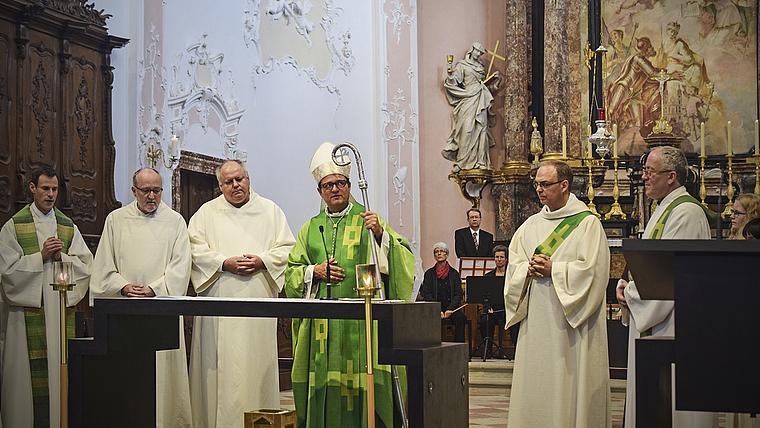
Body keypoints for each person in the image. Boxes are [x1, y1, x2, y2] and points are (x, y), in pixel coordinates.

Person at [285, 141, 415, 427]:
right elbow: (291, 273)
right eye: (328, 185)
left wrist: (381, 236)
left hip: (364, 325)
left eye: (340, 183)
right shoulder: (310, 227)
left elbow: (404, 260)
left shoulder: (368, 219)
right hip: (324, 329)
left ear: (349, 185)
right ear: (320, 191)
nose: (335, 189)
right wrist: (313, 272)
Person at [188, 159, 295, 428]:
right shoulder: (205, 214)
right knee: (218, 374)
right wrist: (224, 263)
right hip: (218, 307)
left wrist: (261, 261)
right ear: (220, 186)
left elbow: (286, 250)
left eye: (240, 179)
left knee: (254, 369)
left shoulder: (270, 211)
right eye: (228, 181)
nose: (236, 185)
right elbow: (193, 250)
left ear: (248, 179)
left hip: (257, 310)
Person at [504, 160, 611, 427]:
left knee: (568, 382)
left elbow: (594, 271)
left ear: (564, 185)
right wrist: (525, 271)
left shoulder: (588, 224)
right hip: (536, 322)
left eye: (545, 184)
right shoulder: (530, 225)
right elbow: (514, 264)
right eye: (536, 184)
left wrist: (556, 269)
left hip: (569, 325)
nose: (539, 190)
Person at [616, 146, 716, 427]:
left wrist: (629, 292)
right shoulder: (665, 209)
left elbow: (669, 273)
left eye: (650, 172)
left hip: (675, 323)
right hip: (661, 319)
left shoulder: (686, 213)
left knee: (672, 404)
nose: (644, 178)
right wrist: (629, 285)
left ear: (671, 176)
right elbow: (651, 265)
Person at [90, 168, 192, 427]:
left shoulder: (175, 221)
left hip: (162, 311)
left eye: (156, 190)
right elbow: (103, 266)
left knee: (163, 375)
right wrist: (123, 286)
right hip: (126, 312)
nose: (151, 196)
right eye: (145, 190)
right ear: (133, 191)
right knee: (129, 375)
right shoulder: (116, 220)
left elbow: (181, 267)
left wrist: (156, 288)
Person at [0, 165, 93, 428]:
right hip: (25, 317)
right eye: (45, 188)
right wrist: (39, 257)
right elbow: (6, 274)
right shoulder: (14, 226)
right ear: (32, 188)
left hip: (60, 313)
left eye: (54, 189)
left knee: (59, 376)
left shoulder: (67, 226)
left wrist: (61, 257)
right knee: (25, 384)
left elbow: (86, 267)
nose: (51, 194)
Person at [442, 42, 501, 173]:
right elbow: (453, 82)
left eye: (481, 53)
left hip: (481, 100)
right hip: (468, 100)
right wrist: (450, 73)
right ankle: (463, 162)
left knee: (481, 130)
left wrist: (495, 82)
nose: (479, 55)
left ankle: (481, 162)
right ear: (471, 50)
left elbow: (486, 88)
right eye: (478, 52)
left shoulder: (481, 67)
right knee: (467, 130)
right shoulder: (462, 66)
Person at [420, 242, 466, 343]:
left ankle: (458, 349)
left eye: (442, 251)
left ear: (447, 255)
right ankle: (432, 348)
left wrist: (450, 309)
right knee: (426, 318)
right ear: (434, 256)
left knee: (461, 318)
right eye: (437, 252)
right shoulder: (429, 273)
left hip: (451, 309)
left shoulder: (454, 273)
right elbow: (426, 293)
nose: (439, 253)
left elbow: (458, 293)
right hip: (435, 309)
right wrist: (438, 310)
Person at [479, 245, 509, 358]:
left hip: (508, 310)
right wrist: (487, 308)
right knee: (484, 322)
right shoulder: (488, 276)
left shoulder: (511, 276)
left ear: (506, 259)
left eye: (501, 257)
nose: (499, 259)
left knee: (517, 323)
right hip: (493, 311)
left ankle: (517, 351)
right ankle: (488, 350)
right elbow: (484, 296)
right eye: (497, 257)